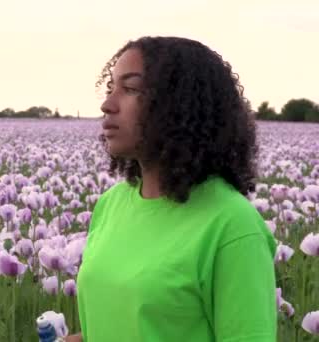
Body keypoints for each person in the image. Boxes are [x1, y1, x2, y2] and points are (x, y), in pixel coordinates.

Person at [65, 36, 277, 341]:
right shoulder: (111, 205)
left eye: (131, 89)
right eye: (111, 87)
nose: (108, 104)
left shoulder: (232, 225)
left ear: (178, 104)